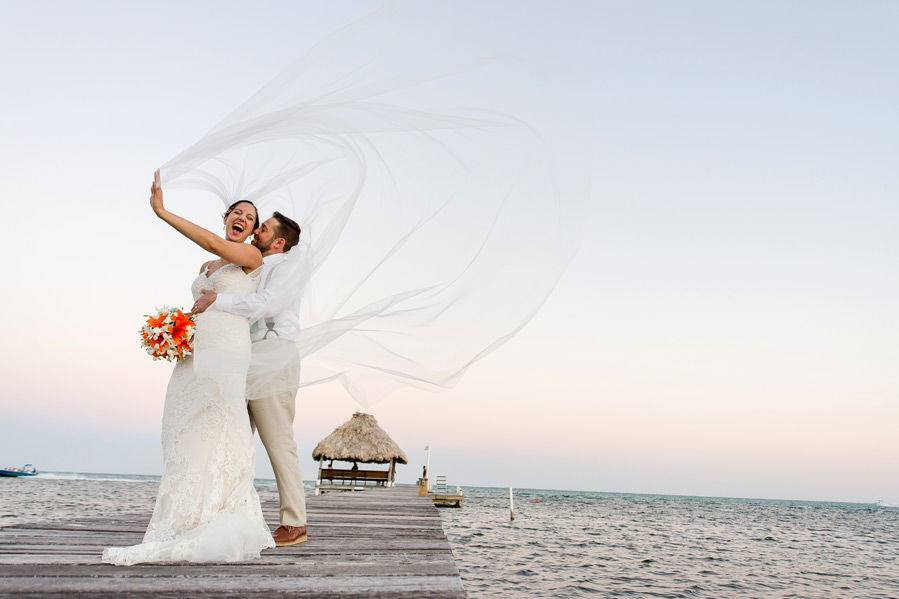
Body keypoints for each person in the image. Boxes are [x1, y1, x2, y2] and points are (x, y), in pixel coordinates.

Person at [102, 171, 274, 565]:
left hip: (227, 351)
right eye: (236, 212)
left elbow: (214, 242)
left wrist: (163, 211)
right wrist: (173, 331)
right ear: (226, 217)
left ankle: (214, 514)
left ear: (251, 231)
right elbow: (208, 262)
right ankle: (180, 517)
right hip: (194, 353)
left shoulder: (251, 259)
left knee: (217, 427)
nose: (241, 218)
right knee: (181, 429)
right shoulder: (205, 265)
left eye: (249, 217)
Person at [191, 211, 308, 547]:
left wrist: (218, 300)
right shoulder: (250, 265)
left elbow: (269, 305)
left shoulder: (286, 267)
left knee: (278, 439)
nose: (257, 231)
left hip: (273, 357)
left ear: (279, 242)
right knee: (231, 436)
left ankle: (294, 522)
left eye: (265, 229)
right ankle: (223, 515)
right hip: (241, 357)